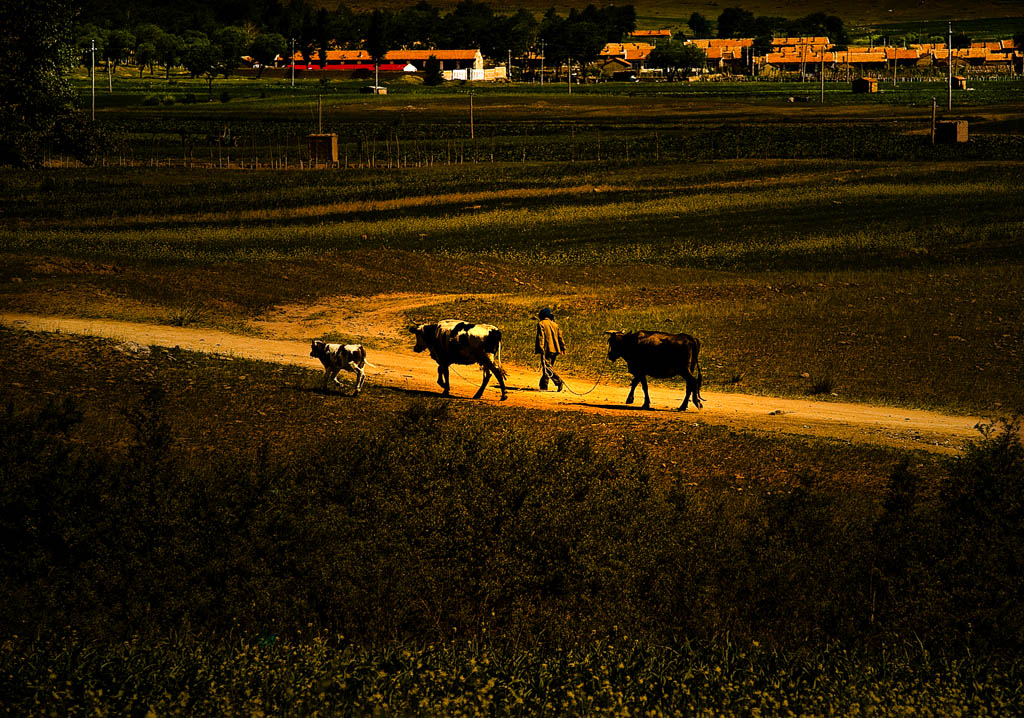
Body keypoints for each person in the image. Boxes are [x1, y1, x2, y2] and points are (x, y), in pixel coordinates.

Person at [535, 307, 566, 391]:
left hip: (546, 349)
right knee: (548, 367)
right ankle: (543, 385)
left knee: (547, 367)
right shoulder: (555, 324)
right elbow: (560, 337)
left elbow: (541, 337)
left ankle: (558, 381)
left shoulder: (541, 324)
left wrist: (541, 348)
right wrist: (563, 347)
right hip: (556, 349)